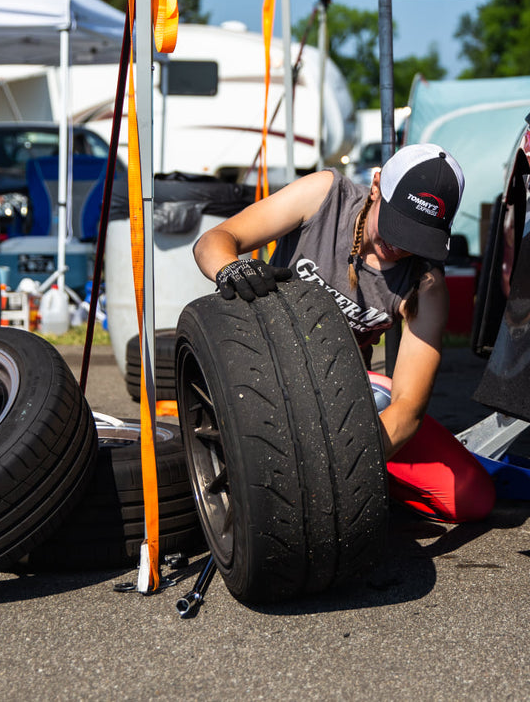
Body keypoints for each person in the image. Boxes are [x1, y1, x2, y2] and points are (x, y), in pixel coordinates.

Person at [193, 143, 496, 523]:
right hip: (269, 377)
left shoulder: (426, 283)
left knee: (471, 497)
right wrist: (230, 269)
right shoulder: (324, 196)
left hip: (344, 401)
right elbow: (214, 241)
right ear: (376, 186)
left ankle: (350, 489)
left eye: (416, 237)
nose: (400, 246)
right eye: (397, 224)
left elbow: (407, 408)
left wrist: (347, 468)